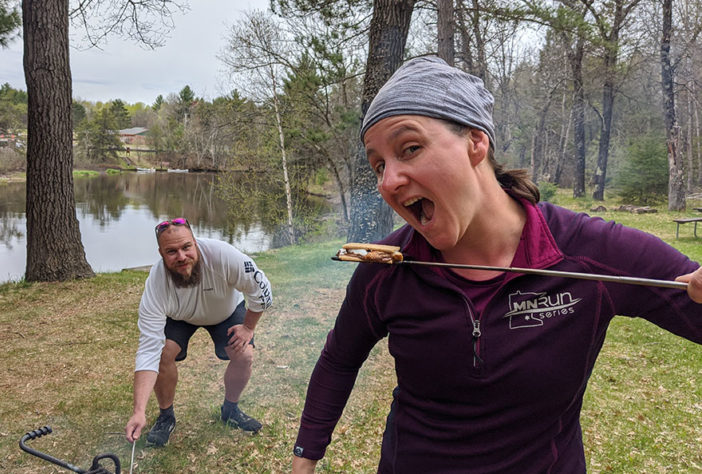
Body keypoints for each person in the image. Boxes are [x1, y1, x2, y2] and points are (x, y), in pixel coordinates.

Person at [291, 56, 702, 473]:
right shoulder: (386, 270)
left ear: (476, 141)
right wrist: (304, 459)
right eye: (379, 164)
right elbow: (339, 359)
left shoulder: (591, 250)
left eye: (410, 148)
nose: (389, 181)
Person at [125, 217, 273, 447]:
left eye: (186, 247)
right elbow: (148, 351)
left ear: (195, 242)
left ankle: (230, 410)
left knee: (244, 355)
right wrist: (138, 411)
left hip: (224, 310)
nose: (182, 257)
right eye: (171, 251)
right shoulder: (156, 282)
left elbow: (261, 289)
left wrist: (248, 327)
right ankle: (166, 417)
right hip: (181, 317)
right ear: (161, 253)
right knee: (163, 353)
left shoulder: (223, 255)